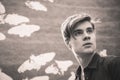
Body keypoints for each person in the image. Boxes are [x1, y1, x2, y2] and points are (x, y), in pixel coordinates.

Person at [60, 14, 120, 80]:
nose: (87, 36)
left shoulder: (115, 65)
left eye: (89, 31)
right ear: (68, 42)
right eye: (78, 33)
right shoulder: (77, 77)